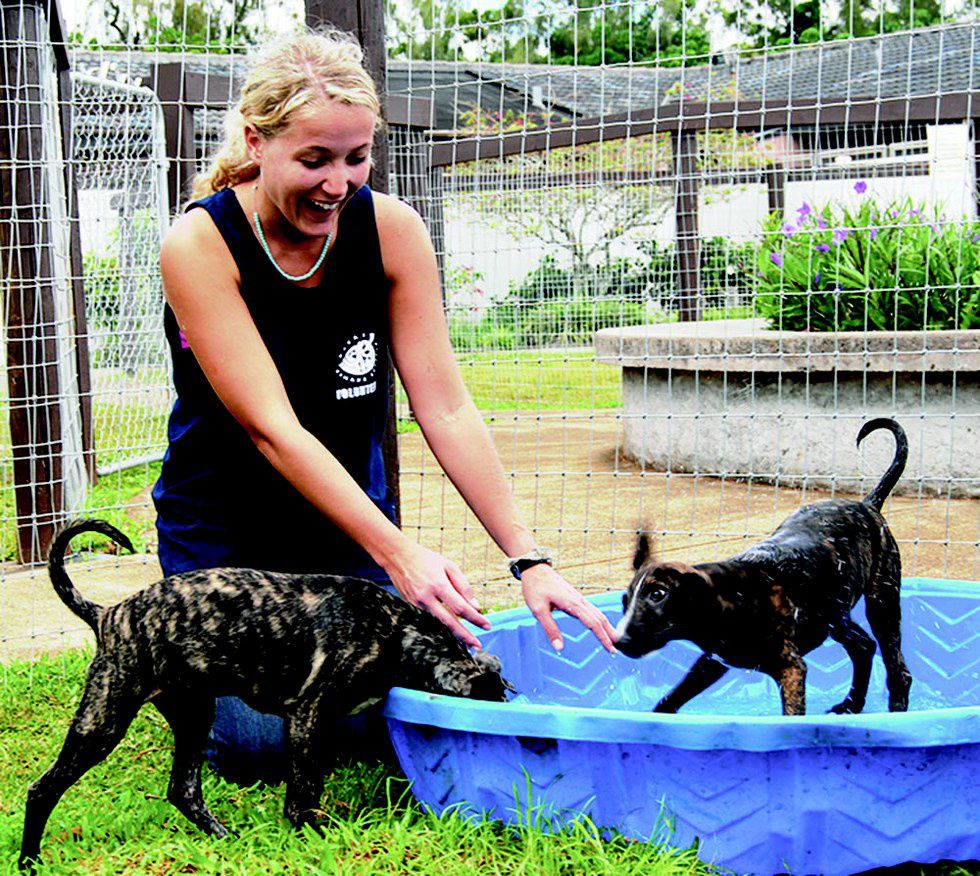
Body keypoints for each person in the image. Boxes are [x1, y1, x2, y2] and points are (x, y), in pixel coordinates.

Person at [152, 26, 616, 782]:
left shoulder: (392, 231)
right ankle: (179, 666)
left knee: (413, 695)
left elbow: (447, 408)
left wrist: (528, 559)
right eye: (314, 159)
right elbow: (273, 430)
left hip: (344, 535)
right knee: (261, 747)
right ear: (256, 141)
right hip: (226, 542)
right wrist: (398, 552)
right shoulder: (199, 245)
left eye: (356, 157)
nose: (338, 183)